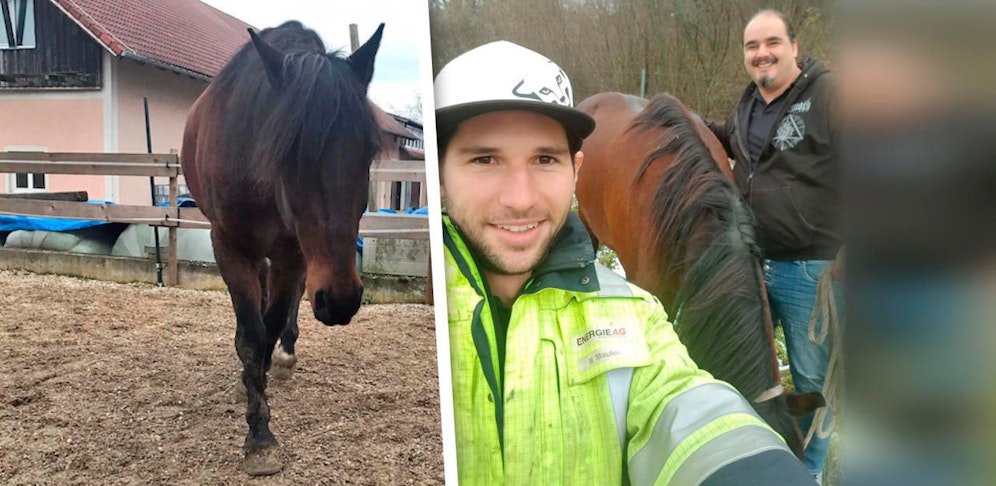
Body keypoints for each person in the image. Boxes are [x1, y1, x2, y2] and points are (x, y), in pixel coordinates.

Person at [436, 40, 815, 485]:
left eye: (545, 159)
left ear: (576, 170)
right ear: (439, 171)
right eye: (484, 159)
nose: (520, 198)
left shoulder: (632, 317)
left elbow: (680, 402)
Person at [707, 9, 841, 482]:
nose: (761, 53)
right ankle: (764, 454)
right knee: (754, 373)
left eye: (771, 42)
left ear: (793, 47)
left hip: (812, 268)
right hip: (754, 264)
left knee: (811, 380)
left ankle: (808, 471)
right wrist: (682, 122)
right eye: (751, 46)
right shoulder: (747, 105)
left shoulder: (829, 94)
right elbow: (730, 144)